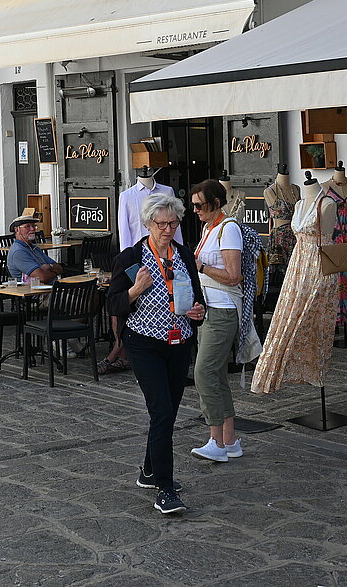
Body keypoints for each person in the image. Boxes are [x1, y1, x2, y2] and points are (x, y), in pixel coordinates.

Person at [107, 193, 205, 516]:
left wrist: (198, 312)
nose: (167, 230)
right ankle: (165, 488)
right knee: (161, 412)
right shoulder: (132, 258)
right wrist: (135, 289)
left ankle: (149, 471)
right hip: (143, 344)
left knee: (168, 412)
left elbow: (198, 298)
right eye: (162, 224)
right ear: (149, 224)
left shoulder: (184, 255)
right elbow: (113, 304)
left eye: (173, 224)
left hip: (179, 343)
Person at [188, 179, 244, 463]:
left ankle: (216, 441)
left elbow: (233, 276)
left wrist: (201, 265)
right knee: (217, 376)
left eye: (200, 205)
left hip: (222, 311)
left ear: (216, 203)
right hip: (209, 309)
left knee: (204, 373)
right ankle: (230, 441)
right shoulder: (208, 228)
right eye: (193, 205)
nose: (195, 210)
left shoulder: (228, 229)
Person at [6, 215, 63, 283]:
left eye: (34, 226)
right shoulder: (18, 251)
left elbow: (60, 269)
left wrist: (50, 266)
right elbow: (42, 277)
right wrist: (54, 273)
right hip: (33, 289)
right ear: (17, 229)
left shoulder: (34, 247)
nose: (32, 229)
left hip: (50, 286)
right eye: (27, 226)